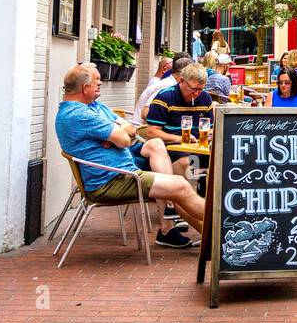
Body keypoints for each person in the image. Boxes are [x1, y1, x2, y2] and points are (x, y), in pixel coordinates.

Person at [54, 63, 203, 248]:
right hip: (112, 179)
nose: (100, 83)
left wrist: (116, 132)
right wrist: (118, 133)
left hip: (124, 168)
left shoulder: (95, 107)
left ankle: (208, 237)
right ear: (85, 88)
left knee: (178, 175)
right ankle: (223, 230)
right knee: (179, 184)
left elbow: (130, 130)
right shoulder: (79, 114)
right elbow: (125, 140)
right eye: (97, 81)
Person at [143, 63, 215, 153]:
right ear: (181, 81)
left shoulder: (205, 97)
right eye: (192, 89)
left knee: (219, 160)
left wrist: (210, 134)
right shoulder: (165, 97)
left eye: (200, 89)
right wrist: (180, 139)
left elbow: (210, 128)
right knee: (187, 161)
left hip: (200, 148)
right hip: (171, 147)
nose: (196, 93)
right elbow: (151, 132)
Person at [134, 53, 187, 122]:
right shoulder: (167, 86)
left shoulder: (169, 83)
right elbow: (145, 114)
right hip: (142, 129)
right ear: (183, 75)